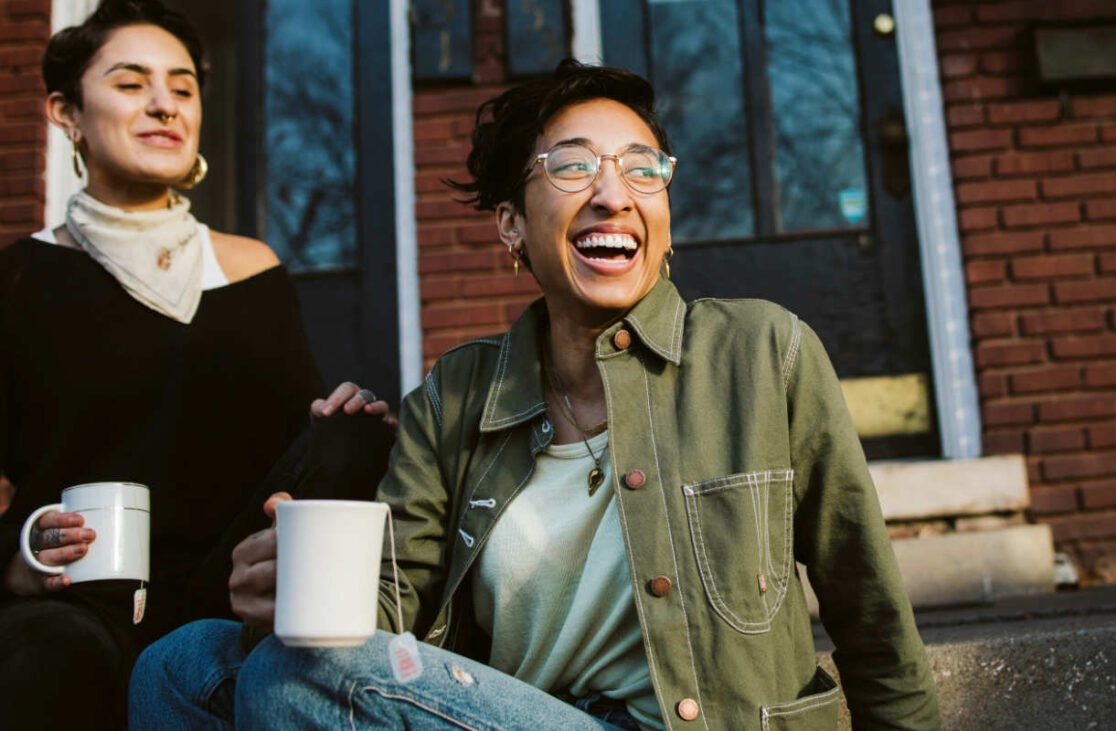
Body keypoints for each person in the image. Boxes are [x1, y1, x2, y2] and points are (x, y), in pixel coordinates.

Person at [131, 59, 939, 729]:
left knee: (284, 681)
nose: (613, 193)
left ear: (663, 204)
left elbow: (870, 612)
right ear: (512, 224)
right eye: (574, 164)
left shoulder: (765, 351)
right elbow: (391, 615)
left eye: (642, 168)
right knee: (176, 662)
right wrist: (290, 592)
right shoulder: (457, 394)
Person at [0, 1, 394, 727]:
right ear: (66, 113)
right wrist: (14, 560)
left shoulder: (255, 270)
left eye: (182, 88)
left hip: (228, 592)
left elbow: (293, 457)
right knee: (50, 652)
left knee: (352, 429)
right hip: (82, 606)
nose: (163, 104)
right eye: (130, 83)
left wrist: (339, 430)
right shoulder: (21, 278)